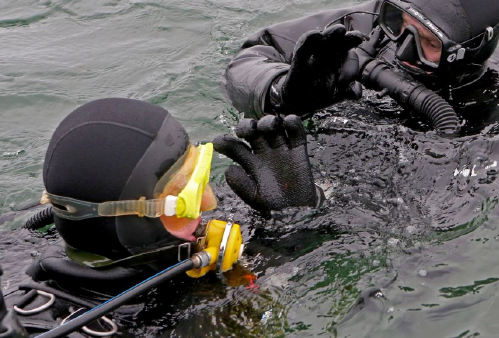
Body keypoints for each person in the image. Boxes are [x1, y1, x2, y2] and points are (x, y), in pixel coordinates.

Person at [1, 97, 321, 337]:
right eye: (187, 195)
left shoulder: (22, 244)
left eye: (200, 173)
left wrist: (296, 214)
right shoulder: (195, 324)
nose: (210, 202)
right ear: (134, 223)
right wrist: (292, 244)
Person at [222, 0, 499, 132]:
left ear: (465, 53)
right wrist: (281, 91)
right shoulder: (365, 28)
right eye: (405, 25)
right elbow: (249, 57)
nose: (403, 49)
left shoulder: (497, 105)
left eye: (429, 43)